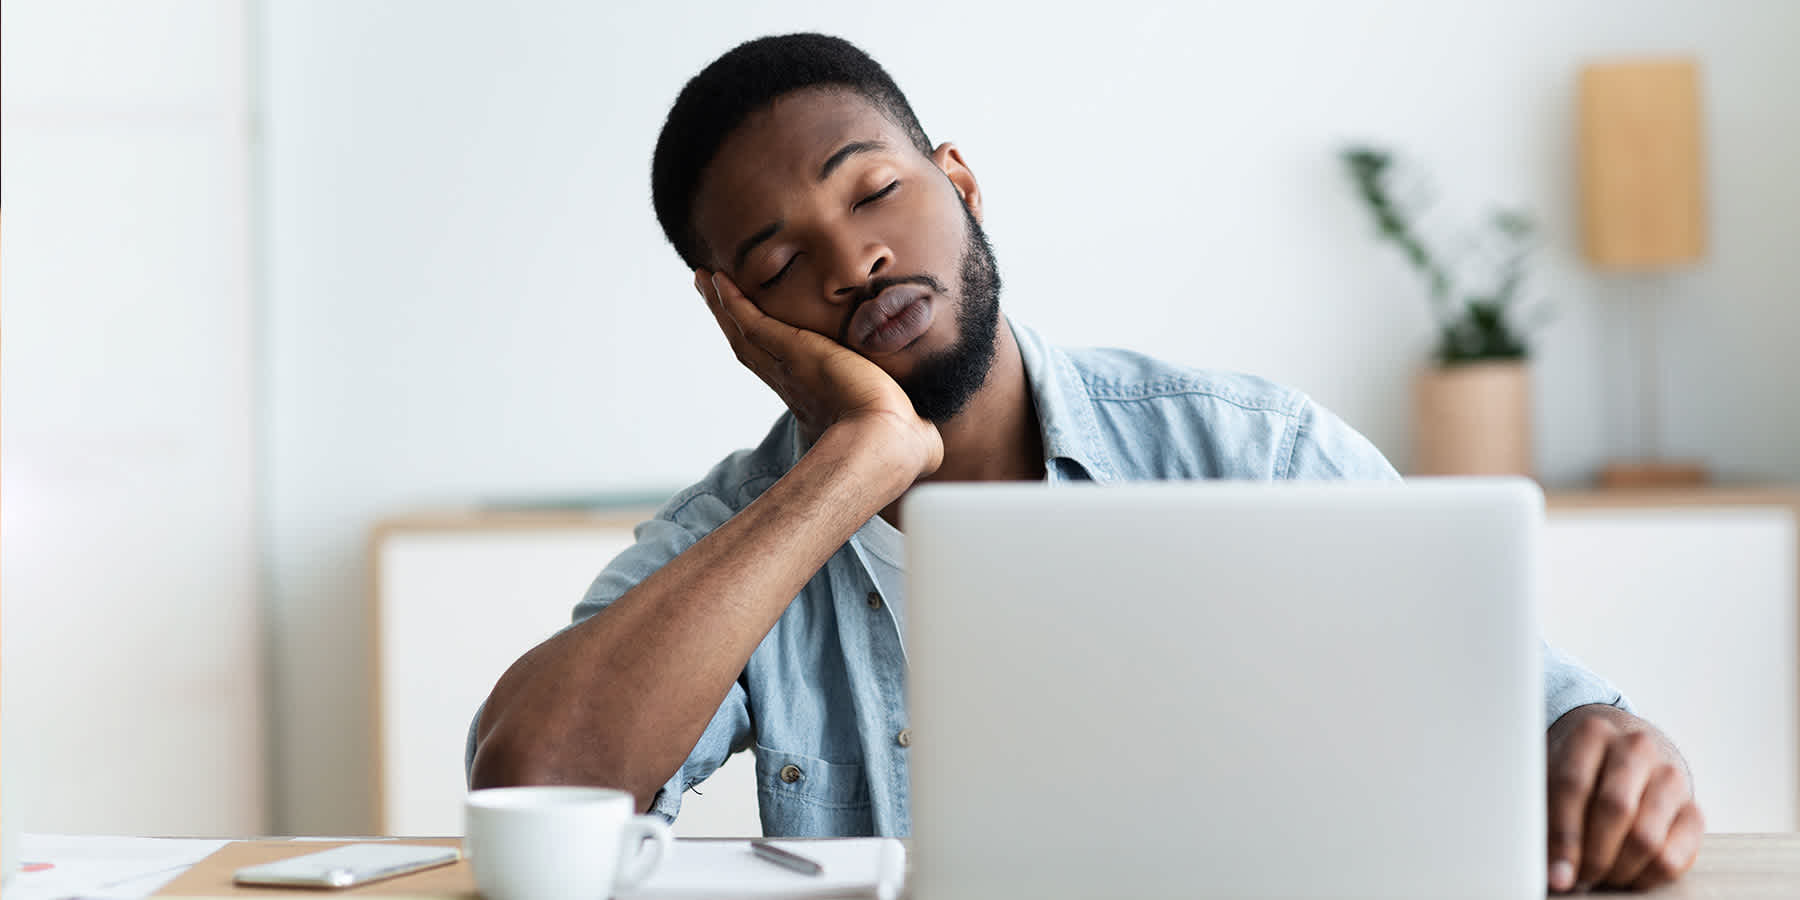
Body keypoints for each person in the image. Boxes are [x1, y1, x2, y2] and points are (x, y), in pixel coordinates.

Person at [467, 33, 1701, 894]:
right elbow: (536, 781)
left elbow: (1552, 721)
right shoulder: (742, 534)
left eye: (877, 191)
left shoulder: (1248, 450)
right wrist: (857, 463)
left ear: (960, 184)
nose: (854, 263)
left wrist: (1615, 759)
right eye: (783, 263)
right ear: (738, 316)